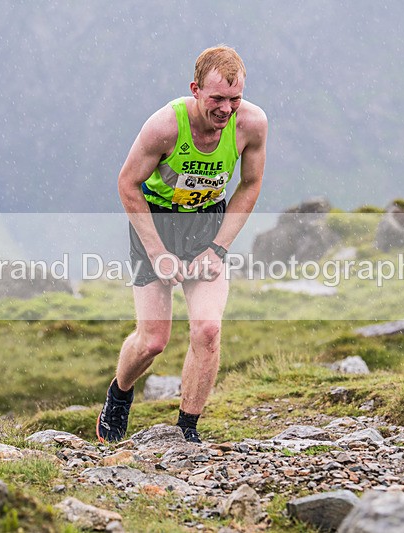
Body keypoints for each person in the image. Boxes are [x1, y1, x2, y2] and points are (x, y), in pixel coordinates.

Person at [96, 45, 267, 444]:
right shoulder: (164, 127)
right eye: (217, 99)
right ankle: (119, 394)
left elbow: (251, 183)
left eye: (235, 99)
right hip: (155, 224)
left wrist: (219, 247)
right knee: (153, 341)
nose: (226, 109)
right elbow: (127, 184)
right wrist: (158, 253)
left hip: (207, 225)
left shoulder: (252, 125)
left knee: (207, 329)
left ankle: (186, 431)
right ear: (195, 90)